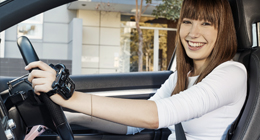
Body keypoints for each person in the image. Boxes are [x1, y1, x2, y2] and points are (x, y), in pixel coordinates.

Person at [24, 0, 247, 139]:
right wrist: (72, 117)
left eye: (206, 24)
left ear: (223, 30)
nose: (193, 33)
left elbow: (154, 116)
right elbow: (134, 125)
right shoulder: (183, 76)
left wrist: (69, 96)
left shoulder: (232, 74)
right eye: (188, 21)